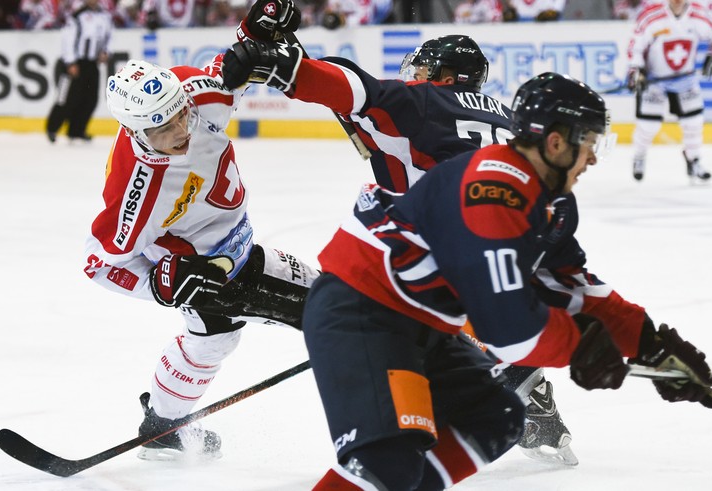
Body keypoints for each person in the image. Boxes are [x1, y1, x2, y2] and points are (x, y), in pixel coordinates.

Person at [296, 72, 712, 490]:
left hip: (420, 321)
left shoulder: (551, 201)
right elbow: (509, 330)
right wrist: (580, 348)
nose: (592, 158)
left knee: (493, 417)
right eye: (590, 142)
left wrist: (650, 345)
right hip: (365, 309)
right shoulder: (493, 189)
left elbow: (574, 287)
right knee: (386, 461)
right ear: (557, 142)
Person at [221, 31, 578, 465]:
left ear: (447, 76)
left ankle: (406, 430)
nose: (416, 75)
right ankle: (525, 390)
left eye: (425, 68)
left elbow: (355, 90)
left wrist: (286, 67)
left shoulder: (425, 101)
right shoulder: (507, 119)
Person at [82, 0, 309, 460]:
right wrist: (160, 286)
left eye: (182, 114)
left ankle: (160, 429)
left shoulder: (192, 96)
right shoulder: (134, 194)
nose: (182, 129)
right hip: (210, 271)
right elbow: (98, 264)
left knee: (213, 339)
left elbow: (230, 71)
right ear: (136, 131)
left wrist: (256, 31)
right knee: (339, 309)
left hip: (235, 245)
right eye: (165, 128)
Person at [625, 0, 712, 181]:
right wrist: (636, 69)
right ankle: (639, 156)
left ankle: (694, 159)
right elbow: (636, 46)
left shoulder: (699, 15)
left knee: (694, 123)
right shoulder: (651, 16)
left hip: (685, 79)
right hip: (654, 80)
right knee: (648, 126)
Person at [45, 0, 113, 143]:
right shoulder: (77, 16)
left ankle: (76, 130)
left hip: (92, 63)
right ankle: (52, 128)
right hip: (76, 63)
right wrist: (70, 62)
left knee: (90, 99)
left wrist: (106, 52)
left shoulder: (105, 16)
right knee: (66, 98)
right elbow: (68, 40)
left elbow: (109, 37)